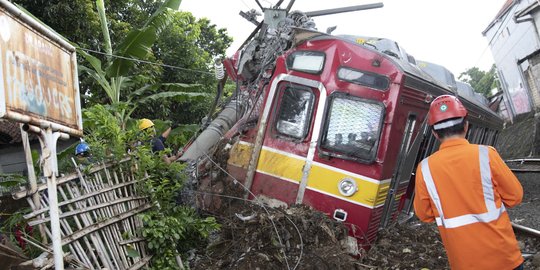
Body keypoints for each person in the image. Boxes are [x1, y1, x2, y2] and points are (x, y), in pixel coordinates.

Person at [413, 95, 524, 270]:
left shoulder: (425, 168)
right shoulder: (486, 154)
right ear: (466, 126)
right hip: (504, 258)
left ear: (434, 133)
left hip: (464, 263)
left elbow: (424, 214)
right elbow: (515, 197)